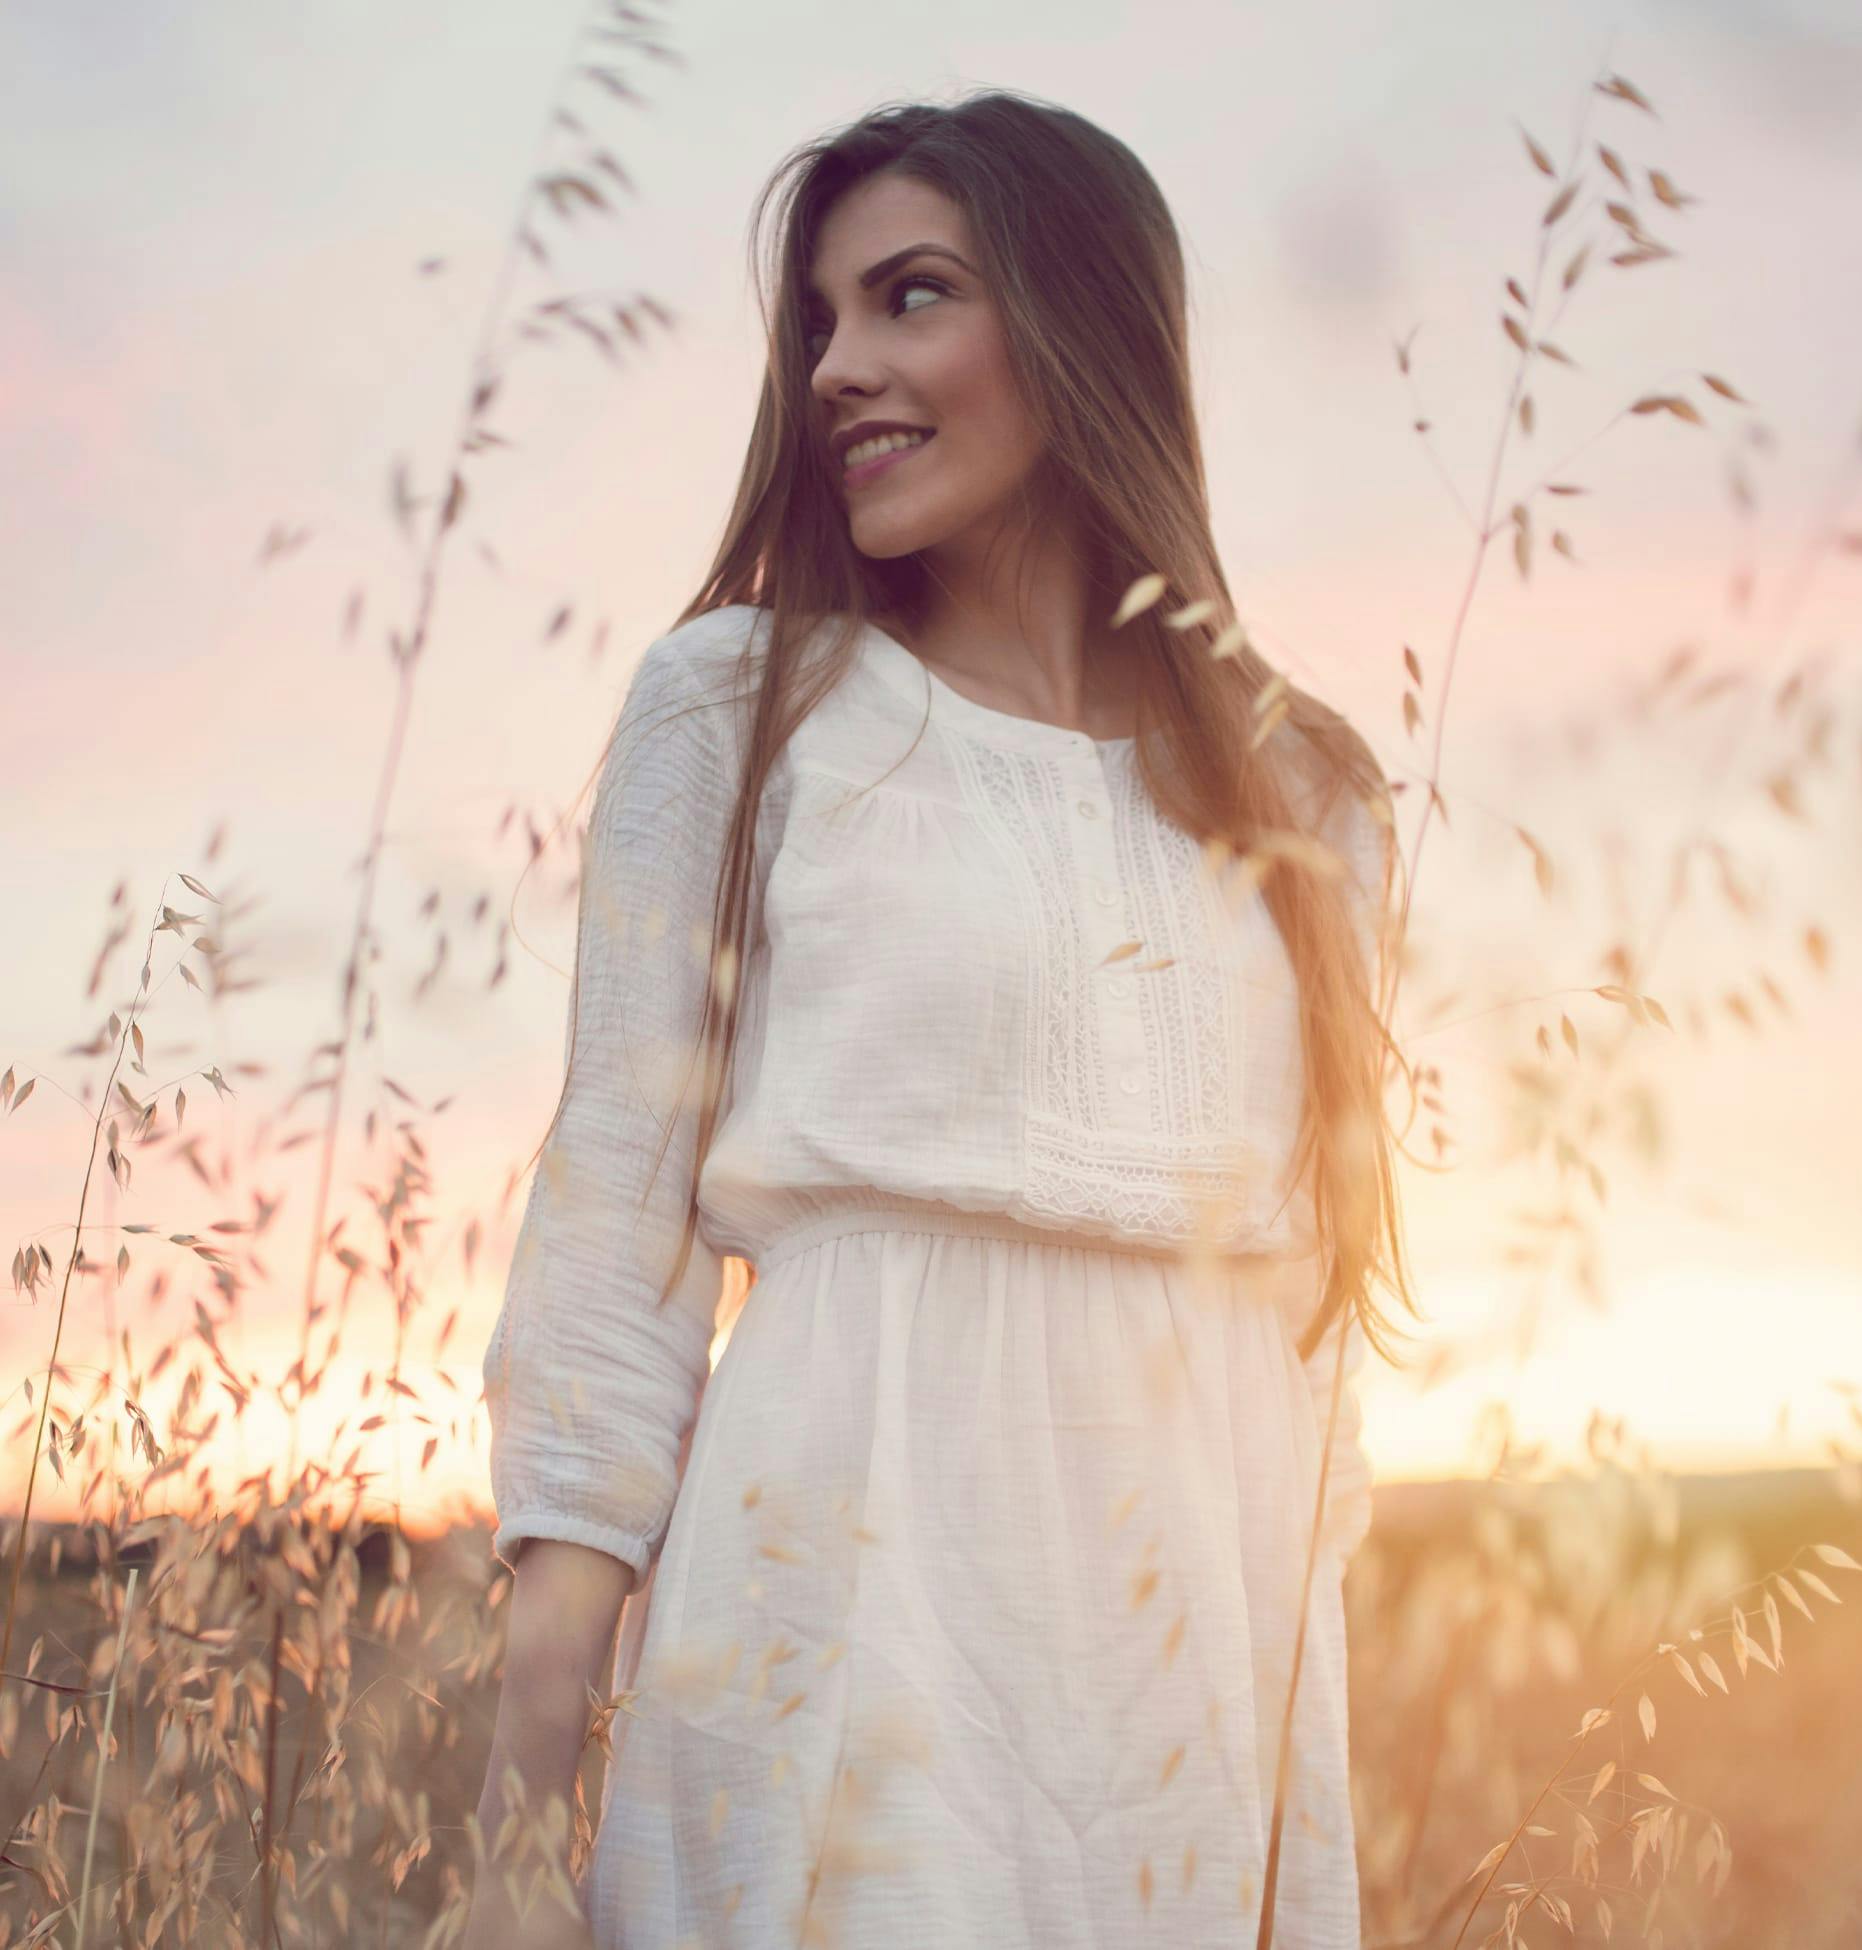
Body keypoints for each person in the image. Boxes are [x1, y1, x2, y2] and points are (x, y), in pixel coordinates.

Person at [464, 87, 1413, 1950]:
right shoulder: (738, 706)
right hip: (836, 1619)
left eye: (909, 297)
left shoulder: (1311, 792)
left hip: (1187, 1705)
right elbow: (609, 1247)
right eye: (817, 320)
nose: (834, 368)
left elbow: (1315, 1363)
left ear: (1082, 330)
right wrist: (515, 1829)